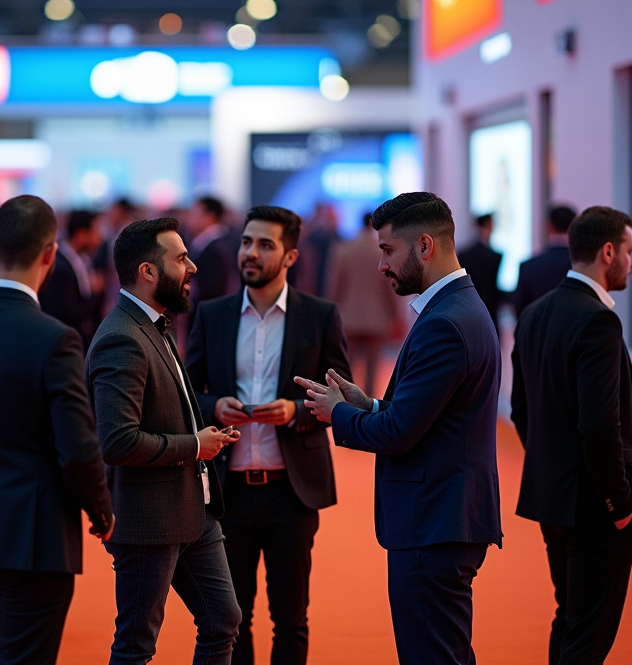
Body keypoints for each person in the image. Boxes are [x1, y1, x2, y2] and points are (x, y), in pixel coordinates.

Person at [296, 192, 503, 665]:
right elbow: (423, 415)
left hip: (435, 520)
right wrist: (365, 403)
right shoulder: (454, 309)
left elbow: (397, 433)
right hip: (443, 516)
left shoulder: (445, 323)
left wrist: (338, 414)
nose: (381, 264)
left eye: (388, 251)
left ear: (424, 246)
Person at [0, 195, 114, 665]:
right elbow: (76, 446)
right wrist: (101, 508)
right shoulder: (55, 338)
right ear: (50, 254)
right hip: (36, 534)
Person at [186, 206, 351, 665]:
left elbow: (343, 397)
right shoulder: (212, 314)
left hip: (291, 493)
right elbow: (185, 393)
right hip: (226, 492)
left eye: (265, 245)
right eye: (245, 242)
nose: (250, 253)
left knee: (291, 619)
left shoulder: (318, 315)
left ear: (291, 256)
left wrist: (297, 409)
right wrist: (214, 406)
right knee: (231, 618)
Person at [86, 217, 243, 665]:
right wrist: (194, 445)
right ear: (148, 272)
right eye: (181, 258)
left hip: (194, 511)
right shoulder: (121, 337)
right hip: (148, 521)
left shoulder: (153, 323)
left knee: (223, 621)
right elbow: (117, 441)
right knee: (136, 645)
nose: (192, 267)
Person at [511, 206, 632, 665]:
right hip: (595, 506)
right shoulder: (599, 320)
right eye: (630, 252)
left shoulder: (534, 313)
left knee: (569, 619)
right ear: (607, 251)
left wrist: (552, 468)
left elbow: (520, 412)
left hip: (551, 499)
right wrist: (619, 506)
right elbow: (598, 426)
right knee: (588, 637)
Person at [327, 213, 400, 394]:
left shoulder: (344, 249)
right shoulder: (383, 253)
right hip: (377, 318)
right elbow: (390, 289)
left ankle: (345, 408)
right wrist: (396, 316)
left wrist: (330, 315)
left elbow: (335, 287)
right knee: (372, 371)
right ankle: (368, 411)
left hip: (348, 317)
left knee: (346, 369)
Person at [40, 209, 105, 349]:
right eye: (95, 233)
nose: (99, 240)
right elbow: (68, 314)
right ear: (81, 234)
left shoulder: (79, 260)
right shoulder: (61, 268)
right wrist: (97, 295)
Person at [512, 205, 576, 316]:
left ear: (548, 227)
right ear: (574, 228)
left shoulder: (528, 266)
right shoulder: (581, 267)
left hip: (536, 331)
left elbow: (519, 310)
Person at [188, 196, 238, 313]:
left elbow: (213, 290)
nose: (190, 218)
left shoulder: (217, 248)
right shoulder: (205, 243)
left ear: (210, 216)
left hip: (209, 314)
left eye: (195, 214)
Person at [457, 213, 503, 331]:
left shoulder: (464, 254)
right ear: (488, 224)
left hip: (468, 311)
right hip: (490, 313)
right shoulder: (495, 256)